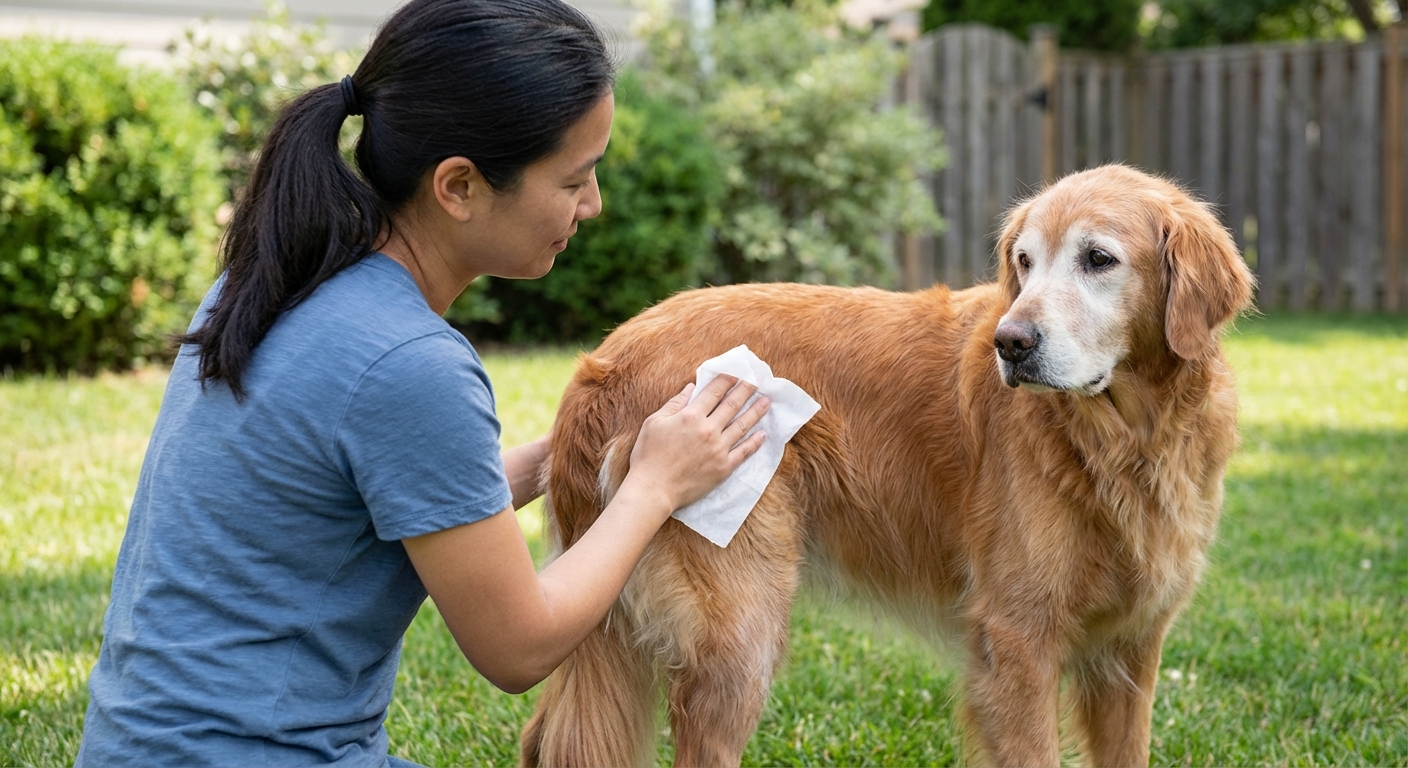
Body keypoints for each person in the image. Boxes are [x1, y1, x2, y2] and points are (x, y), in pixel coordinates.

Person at [74, 0, 771, 764]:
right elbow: (520, 647)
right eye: (575, 178)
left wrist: (556, 459)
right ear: (459, 186)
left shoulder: (273, 280)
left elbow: (407, 498)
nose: (593, 204)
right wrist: (652, 490)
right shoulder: (409, 363)